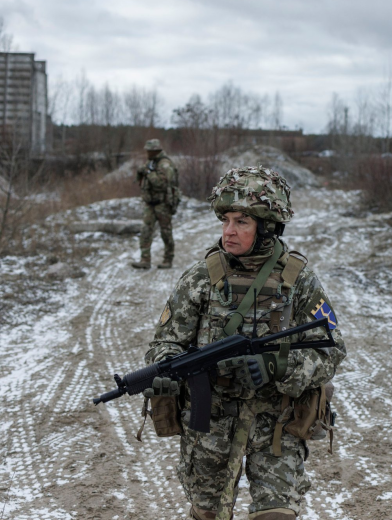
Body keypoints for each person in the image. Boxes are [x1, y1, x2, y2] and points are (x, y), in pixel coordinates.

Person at [142, 166, 347, 520]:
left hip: (276, 423)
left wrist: (278, 367)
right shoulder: (202, 277)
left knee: (277, 515)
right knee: (206, 514)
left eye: (241, 222)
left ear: (267, 227)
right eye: (226, 221)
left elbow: (330, 349)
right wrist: (167, 369)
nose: (229, 232)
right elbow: (166, 341)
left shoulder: (299, 282)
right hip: (212, 422)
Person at [132, 138, 179, 269]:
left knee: (166, 232)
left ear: (155, 151)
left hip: (162, 204)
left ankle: (168, 259)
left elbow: (162, 183)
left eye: (149, 151)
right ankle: (145, 259)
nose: (147, 153)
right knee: (146, 231)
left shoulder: (164, 164)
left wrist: (148, 173)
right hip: (150, 204)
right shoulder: (151, 162)